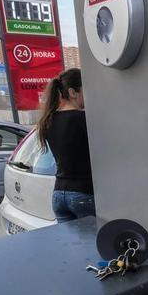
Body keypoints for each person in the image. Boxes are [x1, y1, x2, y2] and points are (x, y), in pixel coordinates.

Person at [35, 68, 95, 222]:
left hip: (58, 195)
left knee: (70, 244)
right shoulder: (83, 119)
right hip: (83, 194)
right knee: (92, 244)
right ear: (73, 92)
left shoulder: (48, 120)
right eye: (85, 89)